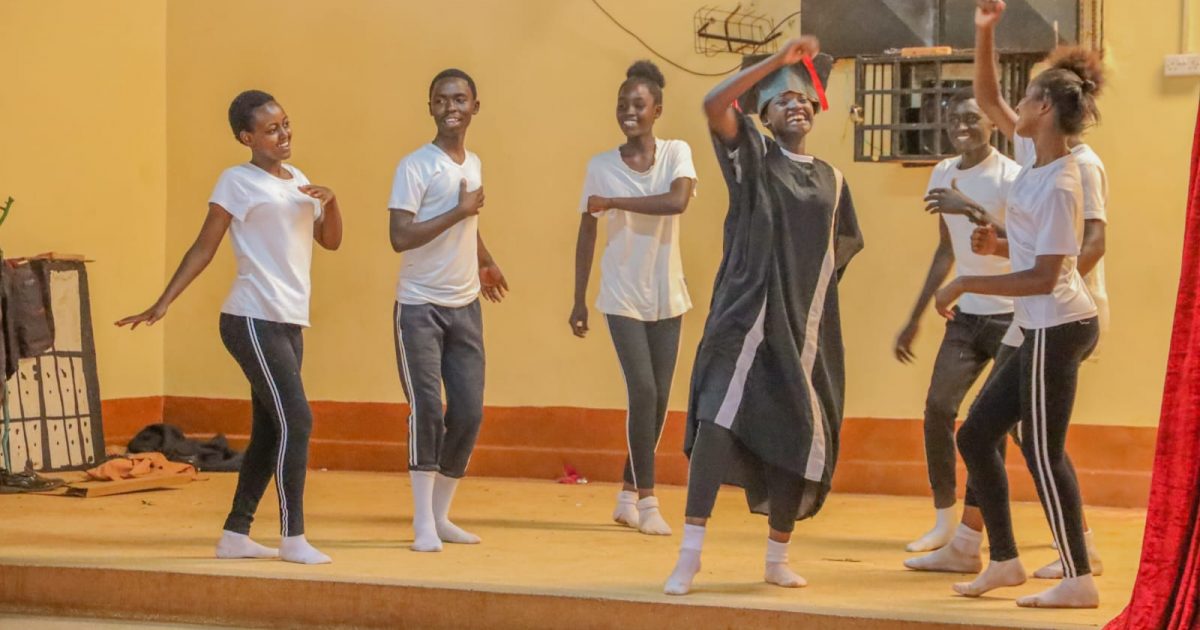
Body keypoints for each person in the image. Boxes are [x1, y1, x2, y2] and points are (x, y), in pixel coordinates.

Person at [662, 37, 863, 596]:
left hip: (801, 328)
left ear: (815, 110)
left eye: (802, 98)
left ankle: (777, 556)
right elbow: (713, 105)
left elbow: (838, 252)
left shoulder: (833, 180)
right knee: (715, 423)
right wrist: (779, 61)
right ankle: (689, 556)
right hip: (744, 317)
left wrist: (804, 305)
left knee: (795, 431)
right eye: (781, 100)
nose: (794, 105)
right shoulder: (752, 157)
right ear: (765, 117)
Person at [927, 0, 1107, 608]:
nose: (1015, 107)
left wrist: (965, 282)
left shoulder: (1064, 180)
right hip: (1040, 324)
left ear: (1046, 109)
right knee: (977, 435)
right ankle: (1003, 561)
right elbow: (988, 93)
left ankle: (1078, 576)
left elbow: (1047, 276)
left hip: (1058, 325)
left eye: (1027, 98)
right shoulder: (1036, 157)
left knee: (1043, 451)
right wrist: (984, 31)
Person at [118, 90, 342, 565]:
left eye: (285, 124)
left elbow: (331, 241)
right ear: (247, 138)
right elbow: (204, 247)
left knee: (270, 430)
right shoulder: (236, 181)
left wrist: (333, 202)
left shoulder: (299, 180)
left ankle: (235, 535)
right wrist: (163, 302)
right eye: (271, 129)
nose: (284, 134)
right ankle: (293, 537)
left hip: (288, 321)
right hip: (251, 318)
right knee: (297, 420)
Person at [570, 60, 697, 536]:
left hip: (667, 293)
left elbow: (676, 201)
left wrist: (615, 202)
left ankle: (625, 496)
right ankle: (647, 500)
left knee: (658, 399)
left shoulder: (677, 153)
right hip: (621, 294)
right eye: (622, 103)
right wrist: (579, 298)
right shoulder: (600, 166)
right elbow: (586, 232)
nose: (628, 111)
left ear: (656, 110)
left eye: (638, 104)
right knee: (642, 391)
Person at [894, 87, 1021, 554]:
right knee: (938, 408)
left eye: (971, 117)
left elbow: (1023, 244)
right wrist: (914, 316)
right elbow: (947, 248)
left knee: (1000, 426)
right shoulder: (943, 172)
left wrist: (967, 205)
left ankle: (981, 527)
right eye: (953, 120)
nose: (962, 127)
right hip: (967, 317)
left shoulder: (1011, 176)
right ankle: (945, 520)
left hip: (1011, 315)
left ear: (991, 123)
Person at [388, 68, 508, 553]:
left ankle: (440, 516)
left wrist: (485, 260)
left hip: (465, 305)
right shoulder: (415, 166)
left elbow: (466, 226)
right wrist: (459, 210)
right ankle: (421, 522)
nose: (450, 107)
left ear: (475, 107)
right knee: (426, 410)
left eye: (460, 99)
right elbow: (400, 236)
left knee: (469, 412)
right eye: (441, 100)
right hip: (419, 306)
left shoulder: (473, 163)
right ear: (430, 107)